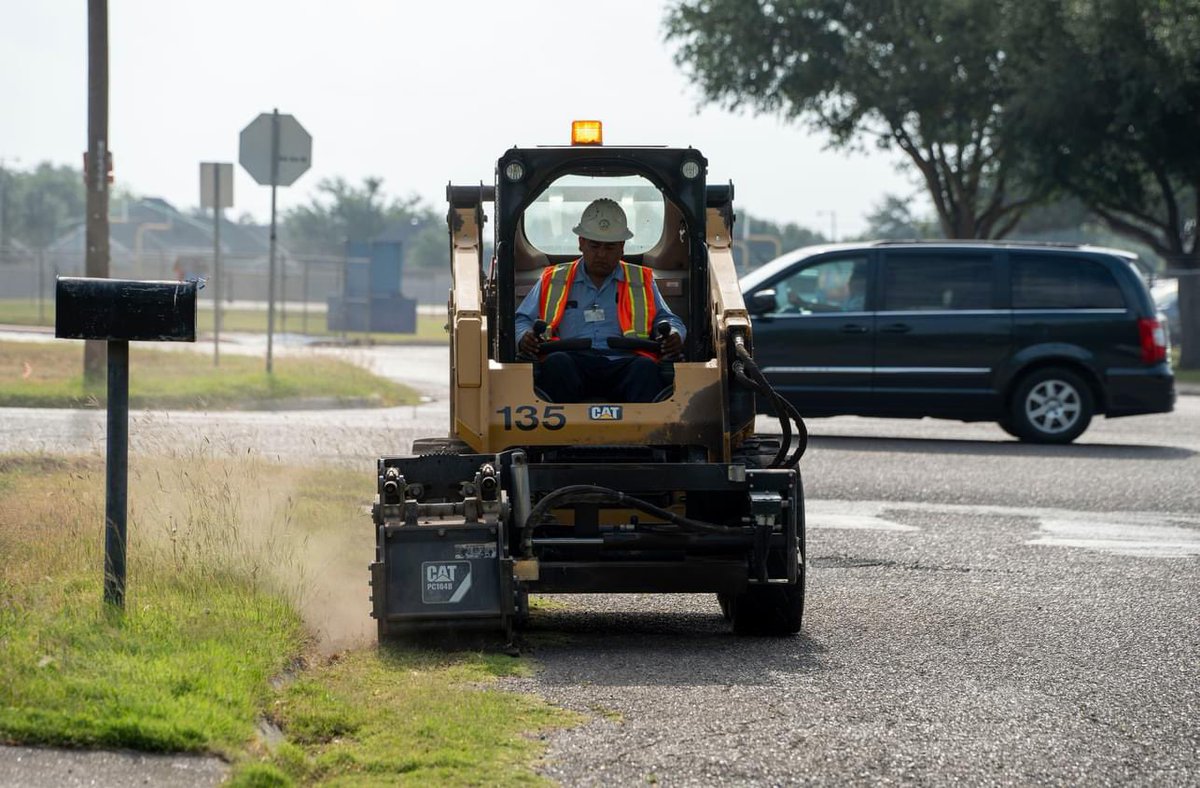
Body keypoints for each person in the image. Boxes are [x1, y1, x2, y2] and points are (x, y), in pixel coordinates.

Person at [515, 198, 686, 402]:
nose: (601, 255)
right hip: (572, 361)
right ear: (581, 243)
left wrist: (674, 335)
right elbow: (522, 319)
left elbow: (668, 320)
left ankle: (649, 433)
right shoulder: (553, 279)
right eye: (595, 246)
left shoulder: (640, 281)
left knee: (646, 369)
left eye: (609, 247)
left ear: (622, 247)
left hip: (624, 362)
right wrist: (524, 336)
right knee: (556, 365)